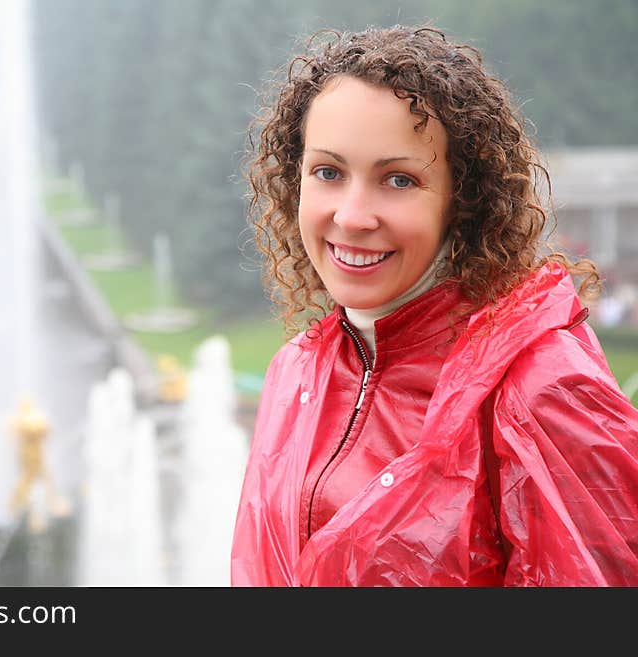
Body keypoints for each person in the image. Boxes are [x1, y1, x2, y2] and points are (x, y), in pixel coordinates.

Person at [231, 24, 638, 586]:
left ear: (463, 202)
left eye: (397, 180)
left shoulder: (538, 388)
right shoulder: (298, 371)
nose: (351, 216)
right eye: (328, 172)